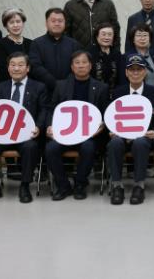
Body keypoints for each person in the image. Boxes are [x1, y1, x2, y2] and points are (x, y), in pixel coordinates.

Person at [0, 52, 48, 204]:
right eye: (13, 65)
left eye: (21, 65)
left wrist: (38, 127)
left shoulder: (39, 87)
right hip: (2, 135)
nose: (16, 68)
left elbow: (44, 110)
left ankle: (25, 186)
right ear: (8, 68)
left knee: (30, 147)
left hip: (26, 135)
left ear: (28, 68)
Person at [45, 50, 109, 200]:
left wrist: (101, 126)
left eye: (84, 62)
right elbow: (52, 109)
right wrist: (49, 126)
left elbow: (106, 113)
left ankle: (80, 184)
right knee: (51, 148)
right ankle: (63, 185)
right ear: (72, 67)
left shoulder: (101, 87)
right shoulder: (61, 85)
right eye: (77, 63)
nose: (81, 66)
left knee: (88, 147)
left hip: (90, 134)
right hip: (65, 133)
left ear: (90, 66)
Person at [107, 55, 154, 205]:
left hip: (146, 137)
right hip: (122, 135)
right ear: (126, 73)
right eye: (131, 70)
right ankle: (117, 185)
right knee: (114, 143)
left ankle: (139, 186)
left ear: (145, 72)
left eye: (139, 69)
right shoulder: (117, 92)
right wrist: (112, 130)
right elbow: (110, 117)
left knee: (140, 142)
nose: (135, 73)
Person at [29, 8, 81, 92]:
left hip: (69, 89)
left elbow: (78, 65)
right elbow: (35, 66)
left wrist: (66, 83)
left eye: (60, 21)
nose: (57, 24)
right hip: (44, 90)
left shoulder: (74, 44)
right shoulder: (36, 43)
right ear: (46, 23)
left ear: (65, 23)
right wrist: (53, 82)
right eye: (53, 21)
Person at [125, 22, 154, 92]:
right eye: (139, 35)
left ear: (150, 39)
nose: (142, 38)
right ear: (133, 39)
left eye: (145, 35)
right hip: (136, 95)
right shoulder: (126, 57)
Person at [0, 8, 32, 82]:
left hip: (29, 84)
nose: (15, 25)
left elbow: (33, 67)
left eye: (18, 21)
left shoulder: (31, 43)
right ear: (6, 26)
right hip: (7, 84)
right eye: (11, 22)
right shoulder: (0, 44)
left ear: (23, 23)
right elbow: (3, 69)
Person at [88, 22, 124, 98]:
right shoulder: (90, 53)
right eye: (103, 34)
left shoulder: (117, 53)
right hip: (94, 95)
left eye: (110, 34)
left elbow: (120, 76)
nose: (106, 37)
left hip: (114, 95)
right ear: (97, 36)